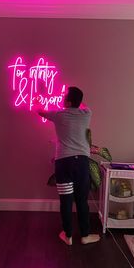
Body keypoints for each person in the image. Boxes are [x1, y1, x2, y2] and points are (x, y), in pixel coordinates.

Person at [36, 86, 100, 245]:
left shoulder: (58, 114)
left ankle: (68, 235)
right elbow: (82, 105)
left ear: (69, 101)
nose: (62, 98)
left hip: (63, 162)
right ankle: (85, 236)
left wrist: (37, 100)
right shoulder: (87, 114)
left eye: (65, 96)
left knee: (65, 200)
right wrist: (76, 101)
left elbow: (40, 111)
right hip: (81, 163)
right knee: (81, 200)